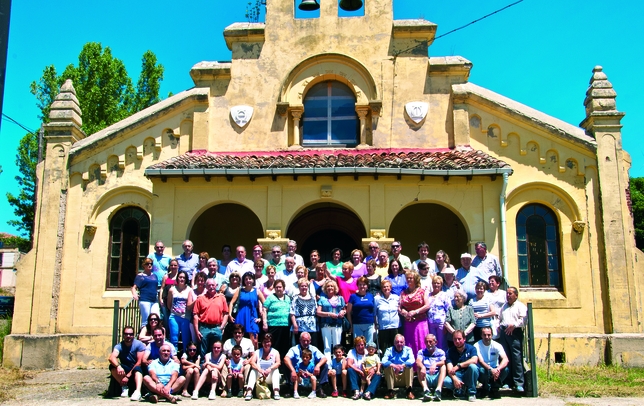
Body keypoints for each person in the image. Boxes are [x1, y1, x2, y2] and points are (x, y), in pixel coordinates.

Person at [498, 287, 527, 393]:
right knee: (505, 357)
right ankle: (507, 381)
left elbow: (523, 320)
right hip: (504, 332)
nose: (508, 295)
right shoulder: (504, 306)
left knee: (516, 358)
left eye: (510, 293)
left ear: (516, 295)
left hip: (515, 332)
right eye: (507, 293)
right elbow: (499, 318)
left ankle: (518, 383)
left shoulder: (520, 306)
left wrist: (514, 325)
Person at [283, 332, 329, 398]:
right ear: (300, 340)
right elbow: (286, 359)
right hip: (297, 373)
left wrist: (318, 365)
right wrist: (293, 370)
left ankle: (320, 388)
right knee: (285, 364)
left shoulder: (313, 349)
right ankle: (291, 388)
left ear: (310, 341)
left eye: (307, 341)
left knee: (325, 365)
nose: (305, 343)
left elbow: (324, 358)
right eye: (304, 340)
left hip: (311, 373)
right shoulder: (294, 349)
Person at [192, 278, 229, 358]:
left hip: (217, 327)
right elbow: (195, 315)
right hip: (204, 327)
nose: (211, 287)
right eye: (209, 285)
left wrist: (222, 326)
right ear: (206, 287)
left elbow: (226, 313)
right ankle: (202, 367)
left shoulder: (222, 298)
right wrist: (196, 330)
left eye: (213, 285)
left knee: (217, 350)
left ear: (216, 286)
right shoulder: (200, 298)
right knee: (202, 350)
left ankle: (215, 367)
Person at [229, 271, 265, 349]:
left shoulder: (257, 291)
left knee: (254, 339)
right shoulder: (240, 290)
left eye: (250, 279)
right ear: (244, 281)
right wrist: (230, 315)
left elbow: (265, 305)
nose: (248, 280)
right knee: (238, 338)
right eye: (246, 279)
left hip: (252, 316)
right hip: (241, 315)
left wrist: (261, 318)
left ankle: (254, 357)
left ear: (253, 280)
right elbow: (231, 303)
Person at [262, 279, 291, 372]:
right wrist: (264, 322)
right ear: (274, 288)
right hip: (273, 325)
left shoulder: (288, 298)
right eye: (277, 287)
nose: (279, 289)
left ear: (283, 288)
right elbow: (264, 309)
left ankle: (283, 368)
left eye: (280, 287)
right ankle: (273, 366)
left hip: (286, 326)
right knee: (274, 345)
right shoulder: (271, 297)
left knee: (284, 346)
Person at [399, 271, 431, 356]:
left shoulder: (422, 291)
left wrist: (415, 311)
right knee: (410, 343)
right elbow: (399, 307)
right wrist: (404, 312)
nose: (409, 280)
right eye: (407, 278)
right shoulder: (403, 292)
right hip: (408, 323)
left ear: (415, 279)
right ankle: (412, 367)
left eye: (411, 278)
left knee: (421, 342)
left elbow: (427, 306)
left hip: (420, 322)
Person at [108, 326, 144, 401]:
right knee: (112, 366)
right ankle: (124, 387)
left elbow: (139, 362)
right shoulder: (119, 346)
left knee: (137, 368)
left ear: (133, 335)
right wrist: (118, 366)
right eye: (126, 334)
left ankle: (138, 392)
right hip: (126, 368)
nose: (128, 336)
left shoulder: (139, 344)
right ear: (123, 335)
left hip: (136, 369)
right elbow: (111, 357)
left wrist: (127, 376)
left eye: (130, 334)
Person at [475, 326, 509, 399]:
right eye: (484, 335)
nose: (487, 337)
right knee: (481, 370)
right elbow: (481, 361)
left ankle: (495, 388)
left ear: (492, 335)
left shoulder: (497, 345)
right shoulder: (476, 345)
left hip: (495, 369)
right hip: (484, 369)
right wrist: (491, 370)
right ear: (481, 335)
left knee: (506, 370)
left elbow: (505, 359)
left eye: (489, 335)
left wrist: (498, 369)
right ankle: (486, 388)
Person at [444, 330, 479, 402]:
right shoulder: (449, 351)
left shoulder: (471, 348)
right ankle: (461, 389)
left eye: (459, 339)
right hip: (457, 375)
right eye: (455, 339)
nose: (457, 341)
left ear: (464, 339)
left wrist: (459, 366)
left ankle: (471, 393)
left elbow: (474, 360)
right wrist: (455, 379)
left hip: (468, 374)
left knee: (473, 367)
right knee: (446, 381)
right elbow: (449, 369)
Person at [316, 279, 346, 362]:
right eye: (328, 286)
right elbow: (318, 312)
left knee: (337, 345)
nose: (330, 288)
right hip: (326, 324)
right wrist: (329, 314)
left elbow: (344, 309)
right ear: (325, 288)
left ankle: (337, 363)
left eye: (332, 286)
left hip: (337, 324)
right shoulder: (322, 299)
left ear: (335, 288)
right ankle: (328, 365)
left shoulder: (340, 298)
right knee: (327, 346)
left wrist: (342, 312)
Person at [247, 333, 282, 400]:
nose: (266, 344)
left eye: (268, 342)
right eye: (265, 342)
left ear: (271, 342)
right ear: (262, 343)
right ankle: (249, 391)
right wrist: (260, 369)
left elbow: (278, 363)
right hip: (260, 375)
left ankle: (276, 391)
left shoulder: (275, 352)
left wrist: (269, 369)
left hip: (270, 376)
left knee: (276, 370)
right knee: (253, 370)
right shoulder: (257, 352)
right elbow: (252, 362)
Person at [223, 324, 256, 395]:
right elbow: (224, 355)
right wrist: (226, 360)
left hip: (243, 362)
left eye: (239, 333)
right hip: (231, 362)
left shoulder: (248, 342)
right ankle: (225, 388)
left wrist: (248, 361)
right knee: (223, 367)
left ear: (243, 334)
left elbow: (253, 355)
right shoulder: (228, 342)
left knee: (248, 366)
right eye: (235, 333)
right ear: (233, 333)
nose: (237, 334)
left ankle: (245, 388)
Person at [166, 270, 195, 349]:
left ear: (186, 279)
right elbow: (169, 304)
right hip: (174, 316)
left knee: (186, 339)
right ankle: (174, 356)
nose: (182, 279)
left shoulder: (189, 290)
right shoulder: (172, 289)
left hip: (185, 317)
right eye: (180, 277)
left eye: (184, 278)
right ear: (177, 278)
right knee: (174, 338)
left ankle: (185, 355)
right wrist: (173, 311)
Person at [346, 336, 381, 400]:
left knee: (378, 375)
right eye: (358, 345)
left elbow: (377, 363)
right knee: (350, 370)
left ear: (365, 345)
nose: (360, 347)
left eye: (362, 345)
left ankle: (368, 392)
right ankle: (356, 392)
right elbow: (349, 364)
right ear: (355, 346)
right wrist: (359, 371)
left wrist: (374, 369)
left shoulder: (369, 351)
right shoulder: (351, 352)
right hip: (358, 376)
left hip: (368, 375)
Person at [381, 334, 415, 400]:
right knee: (388, 366)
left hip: (404, 377)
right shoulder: (389, 350)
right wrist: (394, 366)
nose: (399, 344)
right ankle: (390, 392)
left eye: (401, 342)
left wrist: (402, 366)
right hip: (393, 376)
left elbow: (412, 360)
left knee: (409, 366)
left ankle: (409, 391)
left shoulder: (408, 350)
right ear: (394, 343)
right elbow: (383, 361)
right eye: (397, 342)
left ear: (404, 343)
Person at [416, 333, 447, 402]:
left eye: (430, 341)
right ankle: (426, 390)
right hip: (426, 376)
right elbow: (418, 361)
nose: (428, 344)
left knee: (443, 367)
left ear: (435, 342)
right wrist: (423, 367)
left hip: (437, 376)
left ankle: (438, 390)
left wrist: (435, 364)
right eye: (426, 342)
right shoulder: (421, 352)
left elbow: (443, 362)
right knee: (419, 367)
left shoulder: (440, 352)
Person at [132, 258, 160, 329]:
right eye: (147, 264)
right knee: (146, 321)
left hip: (154, 301)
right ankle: (144, 337)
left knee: (156, 318)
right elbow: (134, 288)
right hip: (145, 300)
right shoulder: (140, 276)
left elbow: (155, 287)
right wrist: (135, 294)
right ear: (144, 265)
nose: (149, 265)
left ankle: (154, 336)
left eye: (151, 264)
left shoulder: (154, 275)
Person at [347, 276, 376, 343]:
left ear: (367, 286)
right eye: (360, 284)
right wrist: (351, 325)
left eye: (364, 284)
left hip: (369, 324)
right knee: (358, 344)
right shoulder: (353, 296)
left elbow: (373, 311)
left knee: (369, 344)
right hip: (357, 324)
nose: (362, 286)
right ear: (357, 285)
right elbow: (348, 312)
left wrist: (375, 323)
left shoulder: (371, 296)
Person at [427, 276, 452, 352]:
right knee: (432, 343)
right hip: (430, 323)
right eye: (434, 283)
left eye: (438, 283)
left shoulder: (444, 295)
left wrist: (446, 324)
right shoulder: (428, 295)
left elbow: (449, 310)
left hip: (441, 324)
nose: (436, 285)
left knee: (441, 343)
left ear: (441, 284)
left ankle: (443, 360)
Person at [290, 278, 318, 346]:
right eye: (302, 286)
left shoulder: (313, 298)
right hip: (300, 325)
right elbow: (292, 313)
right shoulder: (295, 298)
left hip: (312, 325)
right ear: (299, 287)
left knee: (312, 345)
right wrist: (295, 325)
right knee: (300, 345)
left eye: (305, 286)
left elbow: (316, 311)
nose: (304, 288)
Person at [375, 279, 400, 353]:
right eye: (384, 287)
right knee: (384, 348)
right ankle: (386, 364)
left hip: (395, 326)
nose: (386, 288)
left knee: (396, 346)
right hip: (383, 327)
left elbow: (400, 309)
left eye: (387, 286)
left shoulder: (396, 298)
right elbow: (374, 313)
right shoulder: (377, 299)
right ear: (381, 289)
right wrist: (375, 323)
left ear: (391, 287)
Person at [159, 259, 179, 326]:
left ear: (178, 266)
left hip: (176, 301)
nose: (173, 267)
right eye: (171, 265)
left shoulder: (180, 277)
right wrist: (160, 299)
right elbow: (162, 288)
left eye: (175, 265)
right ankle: (167, 333)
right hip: (166, 299)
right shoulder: (166, 276)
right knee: (166, 317)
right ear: (169, 266)